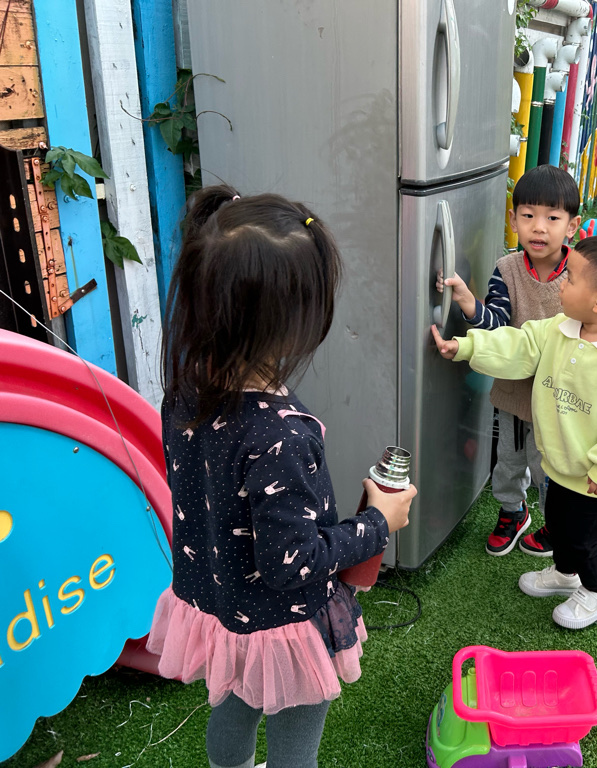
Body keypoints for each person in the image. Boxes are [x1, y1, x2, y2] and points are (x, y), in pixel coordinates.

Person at [147, 186, 417, 768]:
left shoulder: (185, 392)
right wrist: (377, 523)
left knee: (234, 704)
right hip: (284, 624)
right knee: (296, 748)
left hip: (222, 604)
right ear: (293, 321)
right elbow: (291, 563)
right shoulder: (281, 435)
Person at [432, 233, 597, 629]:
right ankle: (565, 573)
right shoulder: (559, 329)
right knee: (557, 524)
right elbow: (518, 346)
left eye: (570, 278)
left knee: (582, 540)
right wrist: (467, 347)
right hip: (559, 465)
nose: (562, 284)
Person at [437, 164, 581, 558]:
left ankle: (554, 523)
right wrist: (468, 301)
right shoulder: (507, 270)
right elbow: (498, 323)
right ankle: (512, 512)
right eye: (528, 216)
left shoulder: (581, 272)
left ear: (572, 226)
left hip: (562, 397)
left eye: (552, 218)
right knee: (510, 459)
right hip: (515, 393)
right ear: (514, 220)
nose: (539, 227)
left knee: (552, 467)